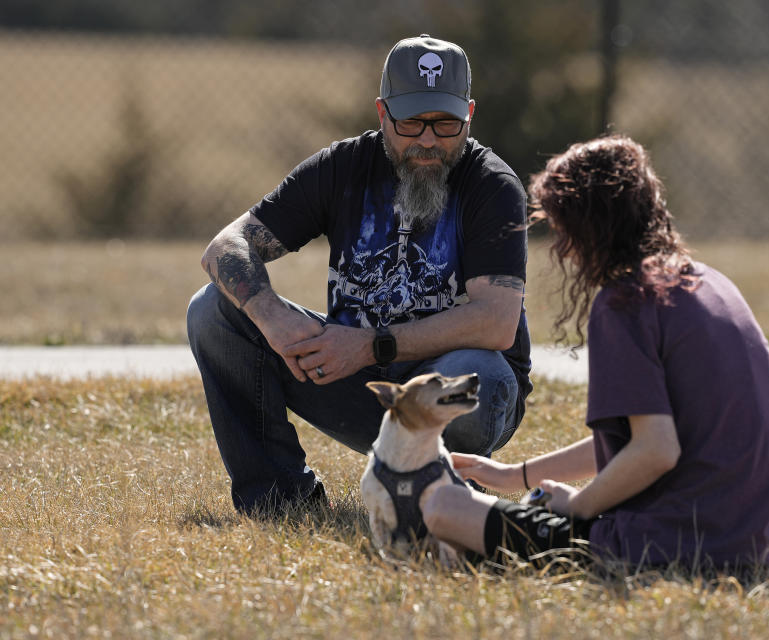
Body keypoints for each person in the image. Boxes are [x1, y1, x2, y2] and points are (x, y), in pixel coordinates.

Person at [186, 35, 532, 517]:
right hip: (359, 384)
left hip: (456, 388)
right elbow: (226, 247)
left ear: (469, 114)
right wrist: (272, 317)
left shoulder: (493, 185)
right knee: (212, 311)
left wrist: (369, 345)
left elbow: (496, 322)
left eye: (446, 123)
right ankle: (279, 498)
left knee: (476, 373)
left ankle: (438, 497)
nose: (428, 140)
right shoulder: (341, 167)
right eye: (411, 122)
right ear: (381, 112)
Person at [423, 135, 769, 578]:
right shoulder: (710, 283)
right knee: (529, 503)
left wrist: (578, 507)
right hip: (762, 549)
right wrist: (512, 475)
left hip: (674, 551)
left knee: (443, 506)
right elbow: (637, 439)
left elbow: (655, 450)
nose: (563, 250)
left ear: (590, 229)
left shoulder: (626, 302)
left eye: (564, 231)